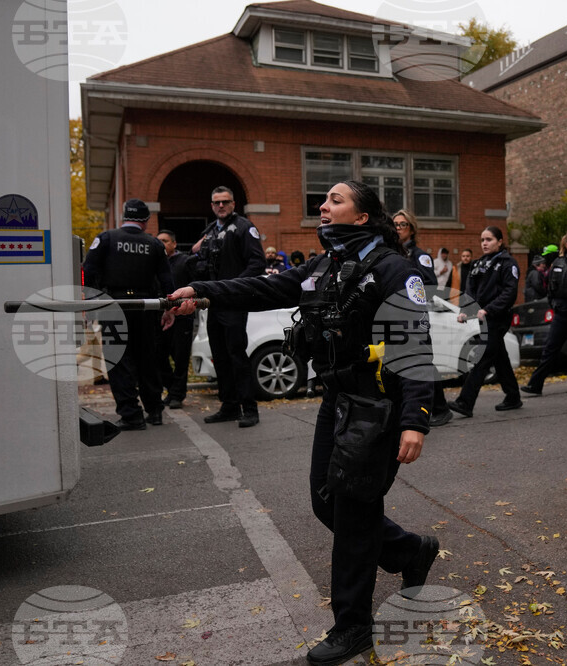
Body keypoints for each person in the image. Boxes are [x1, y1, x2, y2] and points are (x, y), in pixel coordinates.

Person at [170, 181, 439, 666]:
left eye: (336, 200)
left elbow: (415, 346)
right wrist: (201, 291)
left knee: (354, 512)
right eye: (325, 199)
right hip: (337, 399)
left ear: (362, 217)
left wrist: (414, 419)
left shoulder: (395, 270)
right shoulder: (325, 265)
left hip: (376, 405)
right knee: (325, 501)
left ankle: (353, 626)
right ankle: (407, 552)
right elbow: (262, 287)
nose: (323, 205)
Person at [82, 199, 175, 430]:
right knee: (148, 359)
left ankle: (131, 415)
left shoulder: (106, 238)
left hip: (114, 306)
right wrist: (169, 309)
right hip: (146, 307)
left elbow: (87, 271)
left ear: (124, 216)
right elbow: (167, 280)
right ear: (146, 220)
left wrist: (90, 302)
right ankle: (155, 411)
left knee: (119, 361)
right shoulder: (154, 244)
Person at [190, 186, 267, 428]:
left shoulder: (244, 227)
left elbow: (257, 264)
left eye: (225, 202)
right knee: (220, 357)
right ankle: (229, 406)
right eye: (217, 202)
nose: (221, 206)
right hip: (214, 302)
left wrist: (233, 286)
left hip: (233, 301)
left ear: (233, 204)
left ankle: (249, 409)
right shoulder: (211, 231)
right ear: (212, 206)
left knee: (236, 355)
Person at [447, 226, 522, 417]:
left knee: (483, 357)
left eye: (489, 239)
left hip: (498, 317)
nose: (484, 243)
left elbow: (509, 292)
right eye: (482, 240)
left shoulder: (508, 263)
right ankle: (513, 396)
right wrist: (466, 311)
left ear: (499, 241)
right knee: (499, 356)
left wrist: (489, 309)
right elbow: (470, 290)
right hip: (484, 317)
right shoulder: (479, 263)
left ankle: (465, 402)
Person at [393, 209, 452, 427]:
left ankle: (440, 408)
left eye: (402, 224)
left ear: (412, 229)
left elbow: (430, 286)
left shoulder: (420, 256)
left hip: (414, 315)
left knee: (422, 361)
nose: (398, 228)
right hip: (395, 313)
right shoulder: (392, 253)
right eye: (395, 224)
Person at [522, 231, 567, 396]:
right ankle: (535, 384)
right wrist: (554, 304)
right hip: (562, 313)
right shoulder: (557, 263)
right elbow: (549, 288)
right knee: (550, 349)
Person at [156, 229, 194, 409]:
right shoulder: (156, 262)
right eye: (159, 241)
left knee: (180, 357)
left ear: (174, 244)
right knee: (159, 355)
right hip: (161, 316)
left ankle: (177, 395)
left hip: (182, 316)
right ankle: (172, 389)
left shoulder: (185, 262)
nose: (161, 244)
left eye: (165, 241)